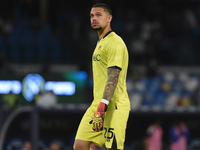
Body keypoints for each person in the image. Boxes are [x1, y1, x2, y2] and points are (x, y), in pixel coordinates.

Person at [73, 3, 130, 150]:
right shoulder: (101, 43)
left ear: (109, 18)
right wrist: (98, 107)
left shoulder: (115, 43)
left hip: (113, 106)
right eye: (92, 16)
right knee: (79, 145)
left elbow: (113, 77)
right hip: (97, 104)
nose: (94, 18)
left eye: (99, 15)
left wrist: (101, 108)